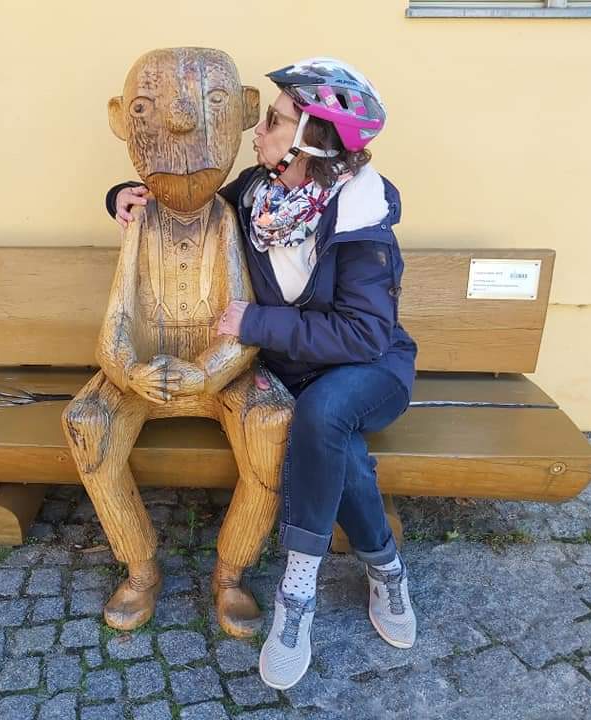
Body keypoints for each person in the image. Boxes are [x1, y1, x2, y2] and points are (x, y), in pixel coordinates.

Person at [107, 57, 418, 690]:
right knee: (336, 444)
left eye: (274, 122)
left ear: (311, 141)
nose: (259, 131)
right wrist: (122, 196)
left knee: (324, 413)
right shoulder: (257, 193)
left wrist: (256, 324)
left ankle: (295, 593)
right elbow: (188, 205)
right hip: (297, 372)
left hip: (368, 369)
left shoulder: (362, 222)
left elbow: (364, 334)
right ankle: (387, 570)